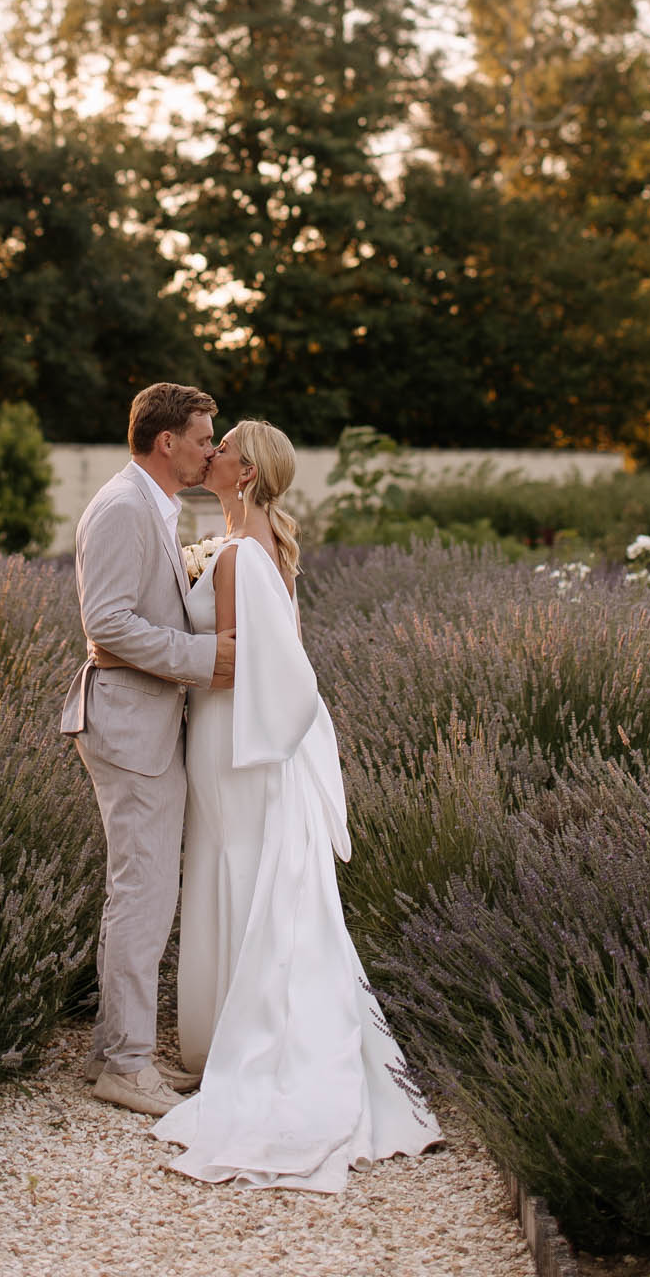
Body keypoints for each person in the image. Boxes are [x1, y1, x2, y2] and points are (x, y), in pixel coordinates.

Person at [146, 418, 442, 1191]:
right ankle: (220, 1035)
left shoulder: (244, 550)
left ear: (243, 473)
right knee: (229, 867)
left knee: (234, 867)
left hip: (235, 736)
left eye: (223, 450)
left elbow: (244, 662)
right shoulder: (253, 539)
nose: (208, 454)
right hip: (232, 735)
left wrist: (152, 658)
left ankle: (235, 1043)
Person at [60, 382, 237, 1118]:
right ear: (166, 442)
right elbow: (105, 623)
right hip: (129, 726)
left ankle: (115, 1049)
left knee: (143, 888)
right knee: (143, 890)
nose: (209, 452)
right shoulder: (126, 507)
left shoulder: (153, 507)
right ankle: (127, 1065)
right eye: (202, 439)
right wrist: (204, 657)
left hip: (144, 722)